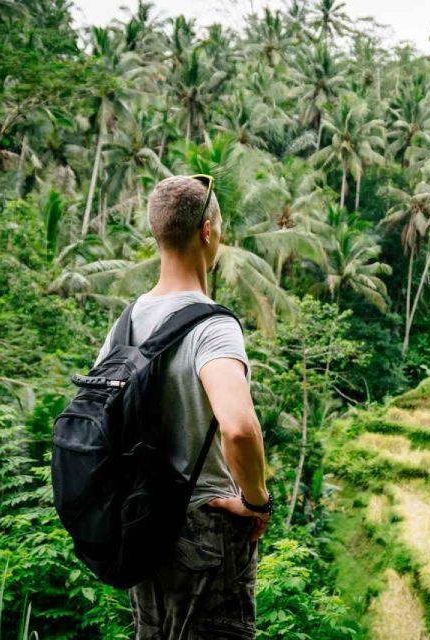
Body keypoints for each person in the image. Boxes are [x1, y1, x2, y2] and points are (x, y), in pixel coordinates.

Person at [93, 175, 271, 639]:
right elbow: (238, 429)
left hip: (143, 525)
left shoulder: (125, 325)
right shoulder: (212, 327)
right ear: (207, 232)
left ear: (158, 234)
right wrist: (255, 501)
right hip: (206, 528)